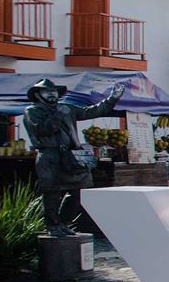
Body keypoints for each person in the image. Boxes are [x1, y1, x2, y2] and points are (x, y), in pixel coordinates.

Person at [23, 78, 126, 236]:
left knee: (78, 191)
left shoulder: (67, 108)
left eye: (54, 91)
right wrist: (58, 114)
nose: (52, 94)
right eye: (47, 91)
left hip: (71, 155)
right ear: (37, 95)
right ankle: (53, 226)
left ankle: (64, 222)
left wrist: (112, 99)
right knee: (51, 194)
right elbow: (44, 130)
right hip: (49, 155)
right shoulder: (33, 111)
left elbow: (91, 111)